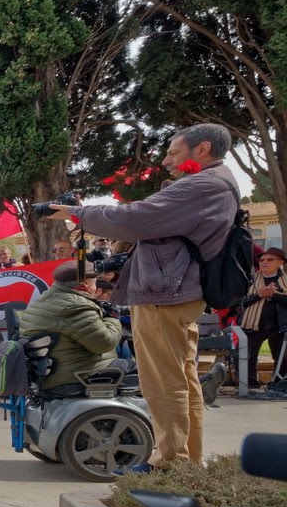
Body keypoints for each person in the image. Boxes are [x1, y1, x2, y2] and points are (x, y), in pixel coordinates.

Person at [50, 122, 242, 469]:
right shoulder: (215, 182)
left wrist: (78, 213)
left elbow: (137, 218)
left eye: (173, 152)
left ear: (201, 150)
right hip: (178, 291)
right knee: (182, 378)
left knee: (162, 381)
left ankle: (170, 461)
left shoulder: (201, 185)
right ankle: (188, 459)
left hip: (165, 294)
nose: (167, 160)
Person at [17, 264, 125, 389]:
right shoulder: (75, 306)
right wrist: (112, 317)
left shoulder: (45, 299)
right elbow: (105, 343)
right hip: (75, 376)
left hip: (53, 374)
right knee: (144, 370)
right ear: (85, 283)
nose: (96, 287)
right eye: (95, 282)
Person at [239, 248, 287, 389]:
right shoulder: (251, 281)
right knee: (247, 356)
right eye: (262, 260)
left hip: (279, 326)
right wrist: (259, 295)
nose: (264, 262)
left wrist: (274, 295)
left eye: (270, 259)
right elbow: (242, 304)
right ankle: (250, 384)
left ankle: (278, 384)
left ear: (280, 262)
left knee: (282, 357)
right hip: (253, 325)